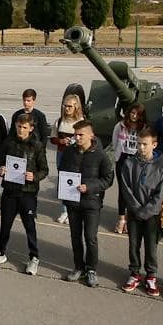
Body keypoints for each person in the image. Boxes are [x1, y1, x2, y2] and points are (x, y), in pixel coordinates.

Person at [0, 113, 49, 273]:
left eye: (24, 127)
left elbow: (45, 170)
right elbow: (0, 162)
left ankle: (34, 257)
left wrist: (34, 176)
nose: (21, 130)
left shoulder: (37, 145)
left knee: (29, 227)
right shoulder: (9, 143)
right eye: (19, 126)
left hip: (27, 193)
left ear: (31, 128)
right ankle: (0, 253)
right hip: (9, 191)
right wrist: (1, 170)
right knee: (5, 226)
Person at [59, 120, 114, 288]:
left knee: (90, 237)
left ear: (91, 135)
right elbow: (62, 170)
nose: (77, 137)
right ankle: (78, 267)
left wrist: (90, 187)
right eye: (75, 134)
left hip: (91, 203)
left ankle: (91, 269)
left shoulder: (101, 155)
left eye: (81, 134)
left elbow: (108, 179)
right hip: (73, 202)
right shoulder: (69, 152)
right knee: (75, 237)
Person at [119, 126, 163, 296]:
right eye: (139, 144)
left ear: (154, 145)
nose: (141, 148)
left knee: (151, 246)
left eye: (145, 144)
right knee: (133, 244)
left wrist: (146, 210)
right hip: (134, 212)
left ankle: (151, 275)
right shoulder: (129, 163)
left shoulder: (161, 167)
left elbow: (160, 194)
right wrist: (135, 208)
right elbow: (125, 189)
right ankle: (134, 272)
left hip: (151, 214)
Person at [110, 104, 147, 234]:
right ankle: (121, 219)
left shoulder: (144, 128)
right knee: (123, 190)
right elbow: (115, 141)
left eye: (137, 114)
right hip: (123, 158)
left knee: (136, 190)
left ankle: (133, 219)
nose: (134, 116)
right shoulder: (120, 126)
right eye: (132, 113)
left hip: (137, 160)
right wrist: (118, 156)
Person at [50, 93, 85, 225]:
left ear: (76, 107)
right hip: (62, 154)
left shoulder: (81, 122)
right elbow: (52, 139)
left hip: (76, 156)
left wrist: (76, 141)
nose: (67, 108)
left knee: (75, 183)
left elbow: (87, 139)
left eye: (70, 106)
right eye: (65, 106)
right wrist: (61, 140)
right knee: (63, 183)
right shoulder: (59, 121)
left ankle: (74, 211)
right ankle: (64, 210)